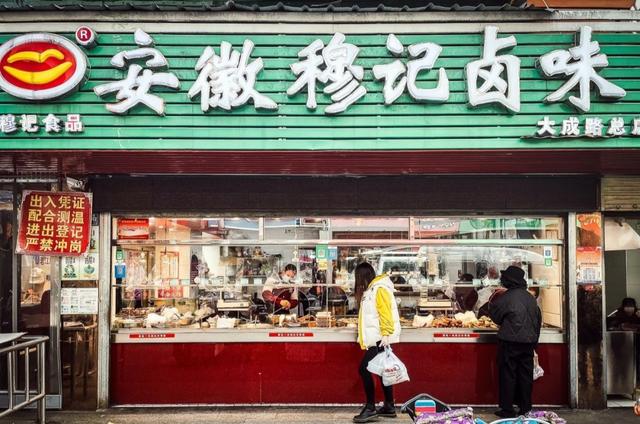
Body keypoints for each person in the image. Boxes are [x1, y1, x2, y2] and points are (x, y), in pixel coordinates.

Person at [489, 265, 542, 418]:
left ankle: (507, 409)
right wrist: (534, 341)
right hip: (528, 342)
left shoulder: (506, 297)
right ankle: (525, 408)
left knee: (508, 375)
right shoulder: (531, 298)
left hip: (510, 342)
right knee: (525, 376)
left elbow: (496, 317)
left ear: (508, 281)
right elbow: (538, 320)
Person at [353, 262, 402, 423]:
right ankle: (389, 405)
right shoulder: (373, 289)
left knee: (364, 369)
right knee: (383, 370)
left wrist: (386, 335)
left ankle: (370, 408)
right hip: (379, 338)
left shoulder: (379, 289)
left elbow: (385, 313)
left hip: (381, 339)